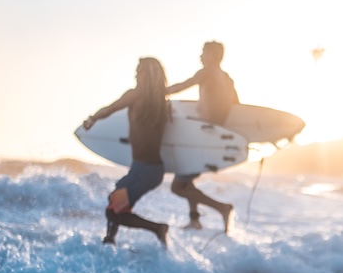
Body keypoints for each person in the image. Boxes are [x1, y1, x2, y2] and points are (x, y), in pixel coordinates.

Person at [82, 58, 171, 248]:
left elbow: (111, 108)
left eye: (139, 71)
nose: (135, 74)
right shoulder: (161, 101)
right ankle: (109, 240)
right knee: (115, 198)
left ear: (146, 74)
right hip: (147, 169)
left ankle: (157, 229)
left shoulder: (136, 95)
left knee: (114, 212)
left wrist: (92, 119)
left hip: (146, 171)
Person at [164, 41, 237, 231]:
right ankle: (195, 220)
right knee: (185, 181)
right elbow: (238, 109)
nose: (200, 56)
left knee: (178, 187)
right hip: (213, 137)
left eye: (203, 52)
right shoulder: (227, 78)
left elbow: (182, 86)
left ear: (212, 55)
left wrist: (157, 92)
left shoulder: (206, 72)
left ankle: (222, 208)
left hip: (202, 137)